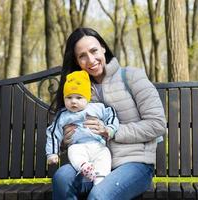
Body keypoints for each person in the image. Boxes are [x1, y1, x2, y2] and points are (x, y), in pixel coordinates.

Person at [51, 27, 167, 200]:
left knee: (99, 196)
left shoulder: (132, 77)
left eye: (94, 50)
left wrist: (111, 131)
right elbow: (65, 136)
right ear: (76, 61)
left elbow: (157, 124)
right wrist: (66, 140)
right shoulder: (77, 92)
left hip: (135, 163)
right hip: (92, 161)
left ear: (103, 48)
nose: (91, 59)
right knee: (61, 178)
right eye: (82, 55)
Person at [46, 70, 119, 185]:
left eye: (79, 98)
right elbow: (53, 132)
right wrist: (52, 153)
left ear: (88, 97)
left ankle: (100, 179)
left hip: (98, 145)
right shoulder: (63, 115)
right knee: (73, 153)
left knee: (105, 155)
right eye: (69, 98)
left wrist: (110, 128)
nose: (73, 102)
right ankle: (84, 167)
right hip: (78, 146)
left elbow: (111, 114)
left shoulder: (96, 108)